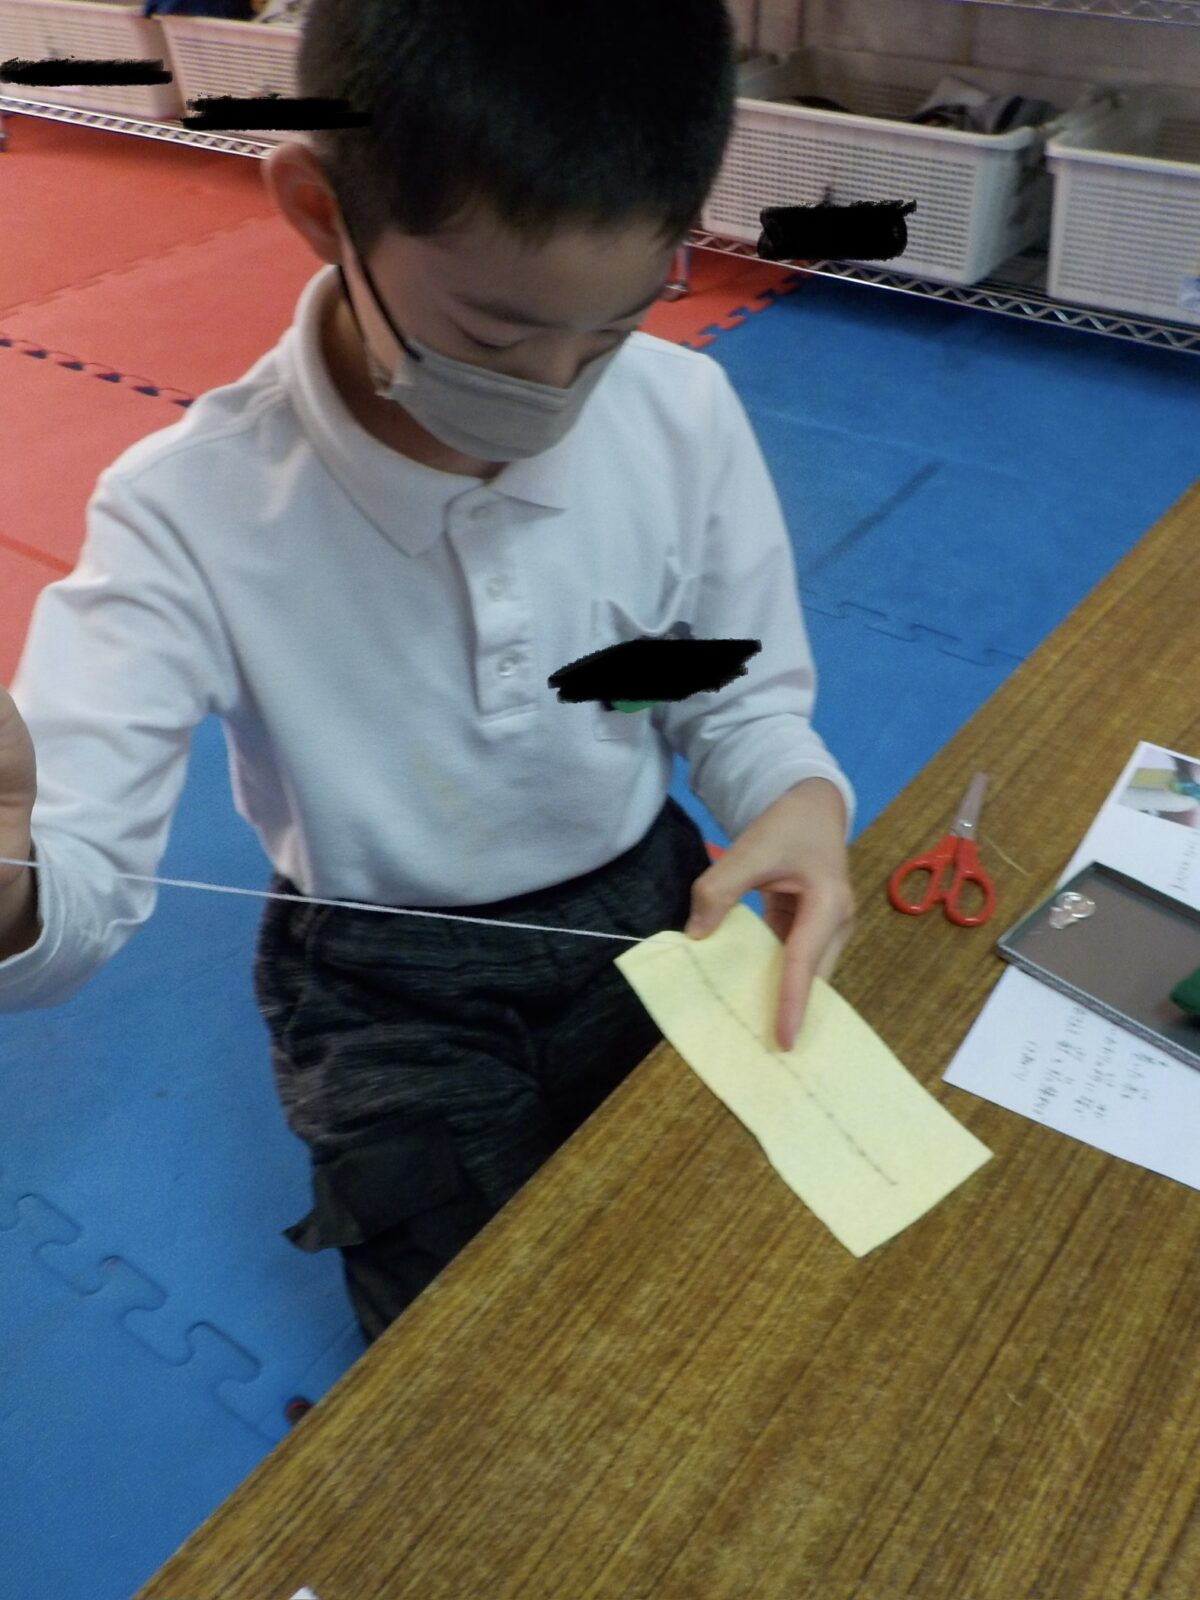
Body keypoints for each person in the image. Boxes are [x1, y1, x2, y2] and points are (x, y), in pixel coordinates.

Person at [0, 0, 858, 1347]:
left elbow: (731, 687)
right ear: (322, 209)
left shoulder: (681, 410)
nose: (555, 394)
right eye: (497, 338)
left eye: (613, 328)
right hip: (382, 985)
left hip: (650, 910)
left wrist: (794, 793)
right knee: (460, 1350)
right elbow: (75, 895)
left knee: (706, 1269)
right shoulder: (185, 512)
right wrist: (14, 879)